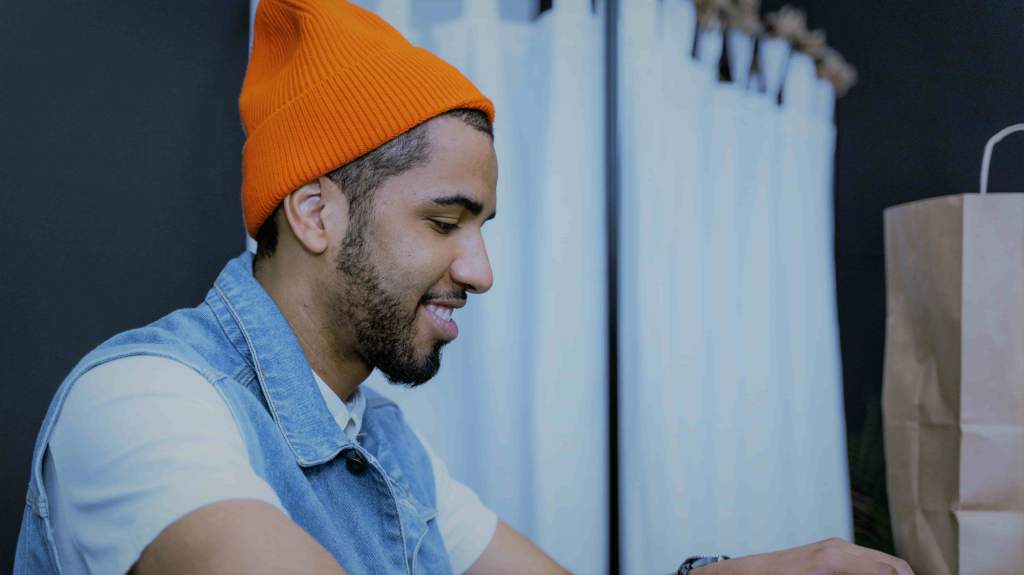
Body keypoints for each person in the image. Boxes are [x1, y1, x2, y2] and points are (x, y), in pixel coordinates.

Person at [14, 1, 914, 574]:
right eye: (445, 223)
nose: (480, 269)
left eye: (483, 228)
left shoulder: (389, 450)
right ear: (316, 214)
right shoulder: (144, 402)